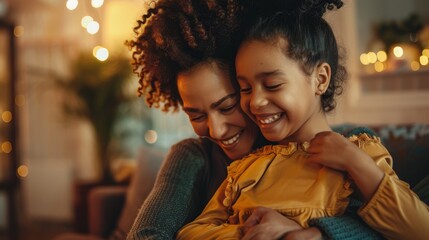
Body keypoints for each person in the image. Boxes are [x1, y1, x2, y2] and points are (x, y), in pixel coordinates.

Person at [126, 0, 389, 239]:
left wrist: (315, 234)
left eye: (228, 106)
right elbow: (147, 234)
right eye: (196, 114)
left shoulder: (346, 146)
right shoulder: (193, 156)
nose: (216, 130)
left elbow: (389, 223)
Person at [177, 1, 429, 240]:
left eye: (272, 84)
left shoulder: (358, 151)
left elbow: (421, 230)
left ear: (320, 79)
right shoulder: (245, 168)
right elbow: (190, 232)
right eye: (245, 89)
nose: (255, 102)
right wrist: (252, 232)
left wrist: (356, 163)